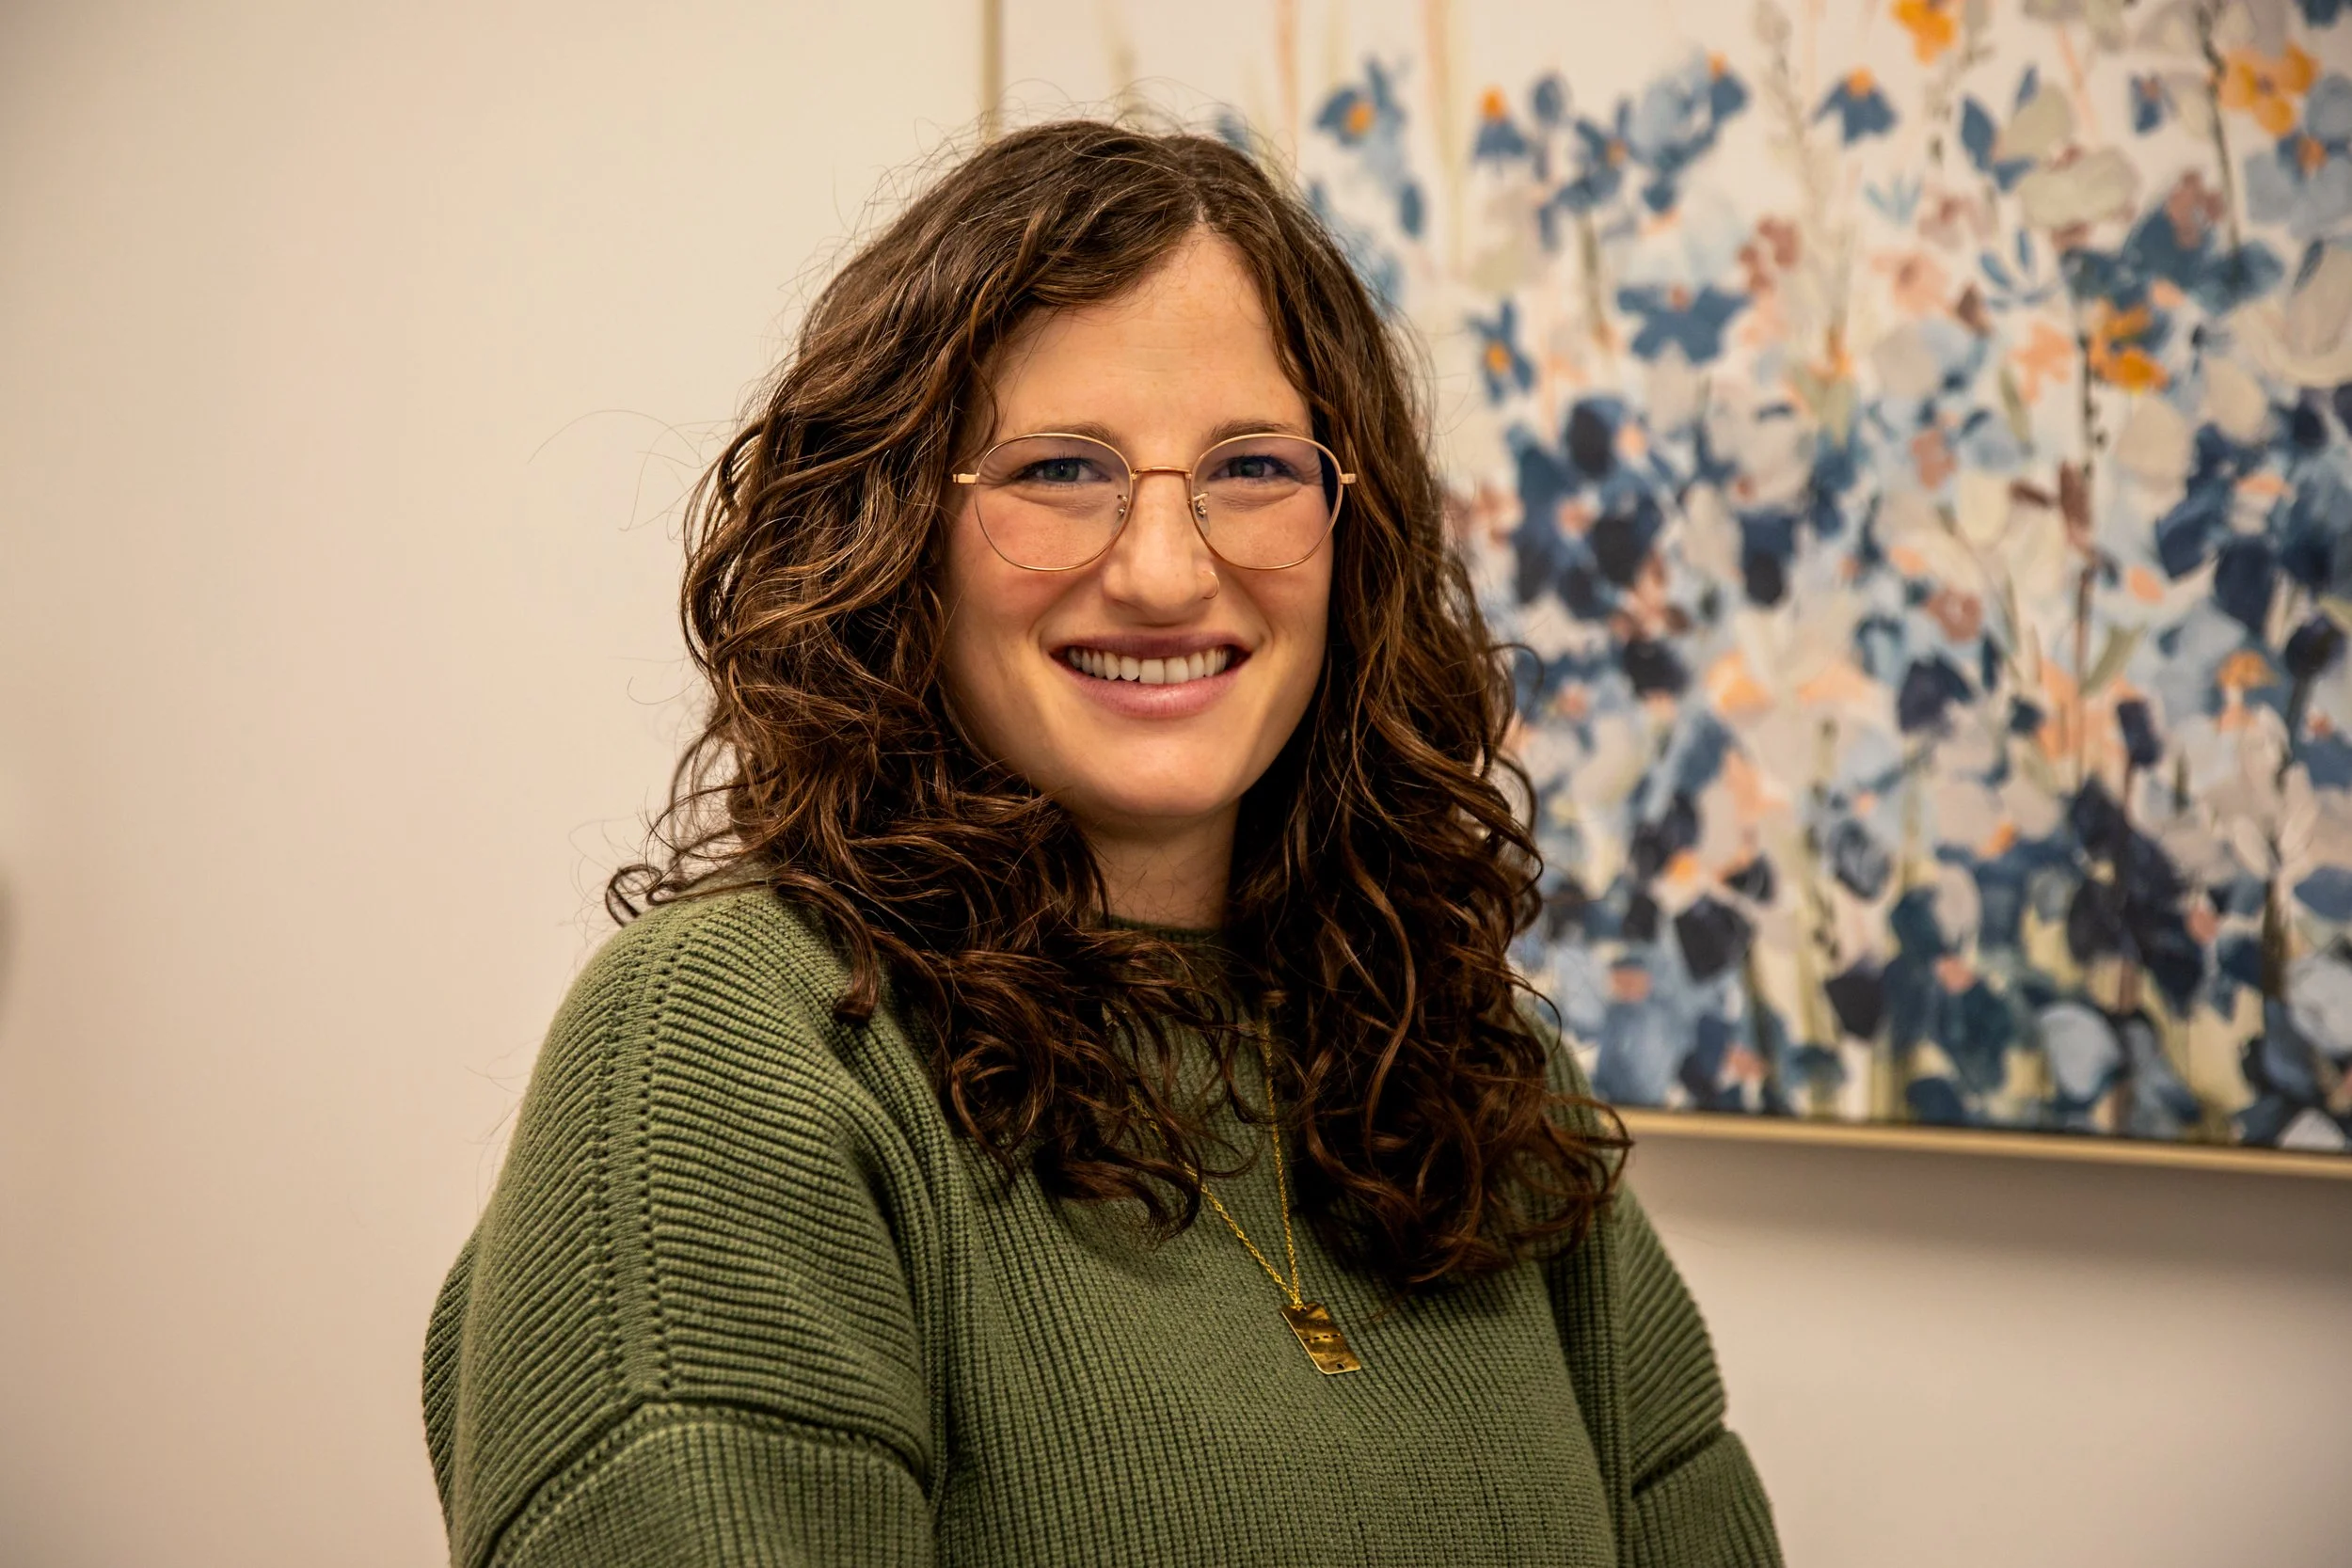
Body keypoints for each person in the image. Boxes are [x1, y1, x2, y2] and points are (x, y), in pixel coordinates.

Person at [423, 119, 1780, 1568]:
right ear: (896, 535)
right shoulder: (733, 1050)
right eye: (1061, 470)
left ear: (1350, 533)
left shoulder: (1474, 1067)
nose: (1162, 568)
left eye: (1253, 466)